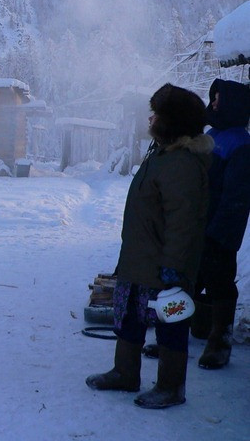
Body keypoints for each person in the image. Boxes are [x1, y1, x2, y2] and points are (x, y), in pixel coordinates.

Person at [86, 83, 213, 409]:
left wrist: (174, 268)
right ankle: (125, 373)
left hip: (164, 267)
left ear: (174, 122)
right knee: (128, 317)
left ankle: (171, 387)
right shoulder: (161, 153)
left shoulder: (182, 163)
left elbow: (183, 225)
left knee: (171, 324)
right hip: (139, 261)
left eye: (156, 115)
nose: (150, 119)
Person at [193, 78, 250, 369]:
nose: (213, 104)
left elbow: (236, 199)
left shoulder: (241, 144)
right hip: (196, 227)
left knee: (220, 284)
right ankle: (176, 333)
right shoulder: (213, 134)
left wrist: (218, 235)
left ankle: (220, 341)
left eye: (218, 100)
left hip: (218, 232)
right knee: (188, 280)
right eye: (212, 99)